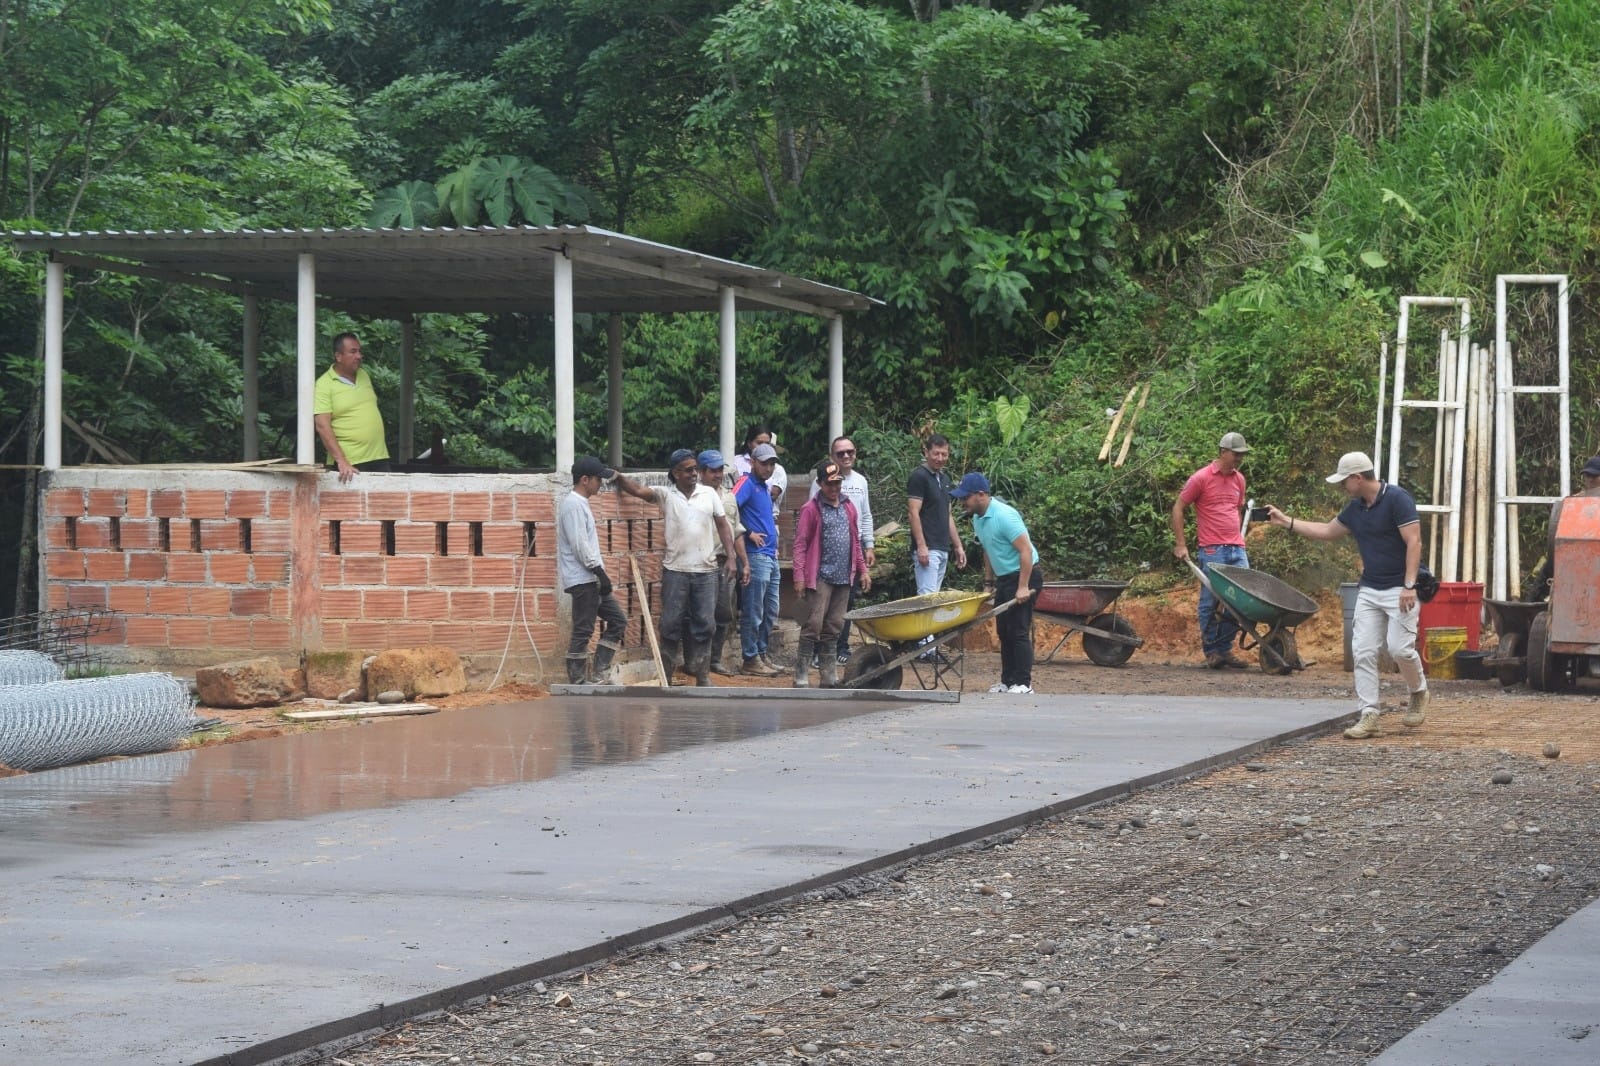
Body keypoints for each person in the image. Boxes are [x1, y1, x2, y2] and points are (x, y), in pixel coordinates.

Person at [1268, 451, 1427, 739]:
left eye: (1344, 481)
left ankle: (1418, 691)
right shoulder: (1355, 508)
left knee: (1399, 650)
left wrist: (1409, 585)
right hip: (1370, 588)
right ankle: (1369, 714)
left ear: (1357, 477)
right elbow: (1327, 531)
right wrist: (1287, 522)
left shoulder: (1397, 499)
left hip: (1400, 588)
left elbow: (1414, 541)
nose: (1342, 486)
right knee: (1362, 652)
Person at [613, 450, 737, 687]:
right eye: (688, 470)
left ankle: (702, 676)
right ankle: (667, 677)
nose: (694, 473)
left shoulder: (709, 494)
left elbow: (723, 526)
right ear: (675, 473)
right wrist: (619, 477)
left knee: (705, 624)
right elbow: (638, 490)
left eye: (695, 469)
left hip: (706, 571)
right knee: (670, 624)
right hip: (675, 571)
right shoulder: (666, 495)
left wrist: (731, 556)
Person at [951, 472, 1041, 695]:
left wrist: (1023, 586)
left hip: (1025, 574)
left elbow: (1026, 551)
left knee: (1018, 630)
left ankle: (1024, 684)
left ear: (981, 494)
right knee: (1004, 631)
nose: (962, 502)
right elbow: (988, 550)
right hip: (1005, 579)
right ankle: (1008, 681)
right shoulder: (977, 519)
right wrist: (989, 583)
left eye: (966, 497)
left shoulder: (1004, 516)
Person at [1172, 431, 1253, 669]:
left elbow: (1236, 510)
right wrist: (1181, 544)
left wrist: (1238, 538)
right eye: (1236, 454)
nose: (1239, 458)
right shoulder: (1201, 478)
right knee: (1210, 601)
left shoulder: (1239, 479)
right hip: (1212, 550)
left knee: (1242, 601)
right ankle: (1212, 652)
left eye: (1242, 455)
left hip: (1236, 549)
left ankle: (1224, 649)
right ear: (1223, 452)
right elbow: (1178, 508)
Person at [792, 459, 873, 688]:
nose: (834, 488)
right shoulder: (811, 509)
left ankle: (828, 675)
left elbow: (855, 542)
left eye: (837, 483)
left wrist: (863, 570)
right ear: (820, 484)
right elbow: (800, 544)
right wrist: (799, 577)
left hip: (843, 577)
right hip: (820, 576)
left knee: (835, 624)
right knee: (813, 624)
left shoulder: (849, 507)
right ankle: (801, 674)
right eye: (829, 484)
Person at [557, 456, 628, 685]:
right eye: (598, 479)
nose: (601, 483)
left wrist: (598, 574)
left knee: (618, 620)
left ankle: (600, 672)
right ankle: (577, 682)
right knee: (583, 630)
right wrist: (599, 572)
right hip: (583, 579)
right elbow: (580, 545)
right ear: (585, 480)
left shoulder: (580, 504)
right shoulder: (573, 505)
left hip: (591, 578)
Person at [808, 435, 876, 667]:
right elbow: (811, 516)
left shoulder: (861, 481)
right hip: (825, 552)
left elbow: (866, 515)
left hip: (853, 550)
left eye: (850, 452)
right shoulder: (820, 482)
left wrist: (869, 545)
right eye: (840, 453)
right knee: (821, 604)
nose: (846, 456)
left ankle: (841, 648)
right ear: (832, 456)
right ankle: (817, 651)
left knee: (846, 602)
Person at [906, 433, 967, 659]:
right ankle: (925, 649)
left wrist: (958, 546)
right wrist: (921, 545)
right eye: (936, 454)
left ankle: (928, 645)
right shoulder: (919, 477)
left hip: (942, 546)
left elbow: (947, 514)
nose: (940, 458)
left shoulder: (944, 479)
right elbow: (913, 513)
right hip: (928, 547)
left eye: (944, 454)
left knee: (934, 596)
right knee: (927, 597)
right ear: (926, 452)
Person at [699, 449, 751, 675]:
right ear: (701, 472)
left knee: (723, 613)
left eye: (720, 470)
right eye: (713, 471)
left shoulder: (729, 498)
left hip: (725, 562)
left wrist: (744, 563)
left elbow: (736, 531)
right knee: (701, 614)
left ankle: (714, 659)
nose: (718, 475)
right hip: (701, 563)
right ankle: (697, 661)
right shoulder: (695, 496)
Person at [313, 332, 390, 483]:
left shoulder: (363, 375)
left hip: (379, 456)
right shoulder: (324, 384)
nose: (359, 356)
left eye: (359, 351)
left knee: (385, 498)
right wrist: (342, 461)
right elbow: (322, 426)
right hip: (350, 464)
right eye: (353, 352)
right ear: (338, 356)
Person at [734, 441, 783, 676]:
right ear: (752, 462)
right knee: (754, 611)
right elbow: (729, 508)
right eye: (764, 464)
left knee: (770, 610)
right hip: (755, 555)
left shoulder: (764, 487)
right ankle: (750, 658)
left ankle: (761, 653)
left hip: (770, 555)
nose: (769, 468)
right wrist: (748, 531)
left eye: (772, 464)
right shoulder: (746, 482)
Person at [1527, 454, 1600, 598]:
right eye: (1587, 475)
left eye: (1595, 475)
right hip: (1575, 552)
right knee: (1548, 569)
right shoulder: (1575, 500)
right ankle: (1529, 605)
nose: (1590, 479)